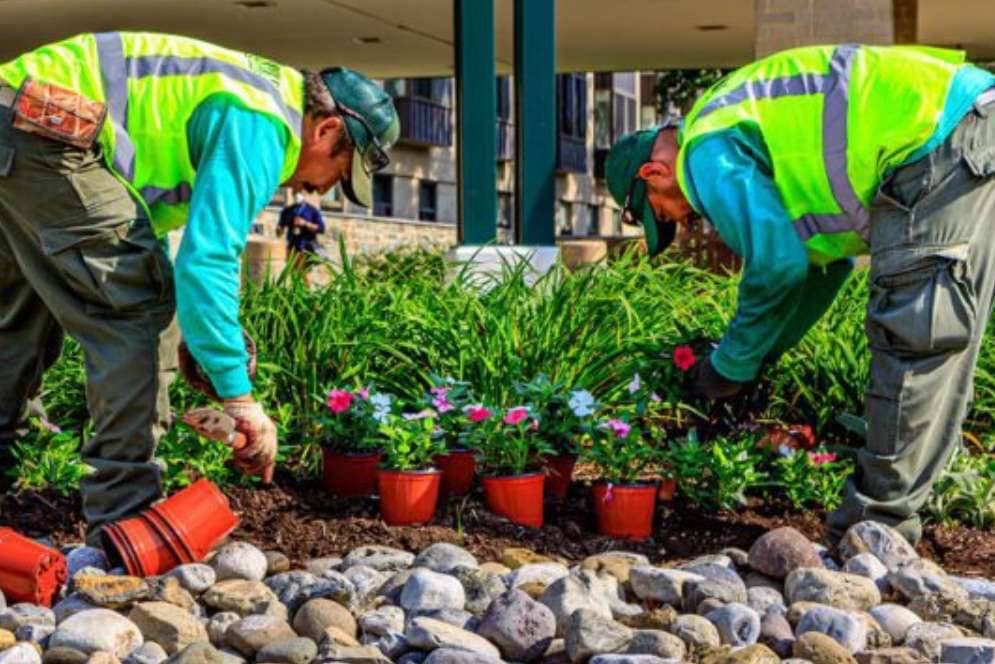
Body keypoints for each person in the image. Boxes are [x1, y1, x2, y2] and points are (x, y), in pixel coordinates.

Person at [0, 32, 399, 546]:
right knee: (135, 315)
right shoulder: (263, 124)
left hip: (18, 119)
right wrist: (239, 398)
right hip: (53, 129)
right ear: (325, 129)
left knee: (21, 312)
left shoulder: (253, 93)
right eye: (340, 172)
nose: (320, 188)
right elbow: (206, 259)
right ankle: (124, 521)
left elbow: (150, 241)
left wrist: (205, 339)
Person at [606, 43, 995, 545]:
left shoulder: (705, 149)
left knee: (914, 334)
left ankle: (873, 531)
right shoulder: (738, 121)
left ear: (653, 174)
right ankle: (886, 524)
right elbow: (821, 269)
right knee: (941, 341)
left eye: (664, 215)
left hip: (935, 141)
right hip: (962, 129)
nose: (685, 222)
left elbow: (776, 263)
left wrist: (728, 367)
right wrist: (761, 357)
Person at [277, 190, 326, 279]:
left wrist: (305, 224)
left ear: (304, 194)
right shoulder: (288, 210)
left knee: (304, 275)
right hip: (291, 247)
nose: (297, 195)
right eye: (294, 192)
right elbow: (279, 231)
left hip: (306, 247)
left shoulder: (312, 210)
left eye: (299, 192)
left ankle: (306, 292)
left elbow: (321, 228)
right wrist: (279, 229)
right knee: (292, 275)